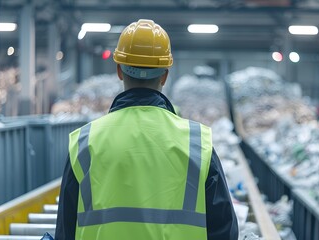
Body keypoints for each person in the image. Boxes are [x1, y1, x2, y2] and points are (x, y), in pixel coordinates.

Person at [55, 19, 238, 239]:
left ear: (119, 72)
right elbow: (225, 231)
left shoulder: (84, 142)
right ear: (165, 75)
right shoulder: (197, 143)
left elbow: (65, 232)